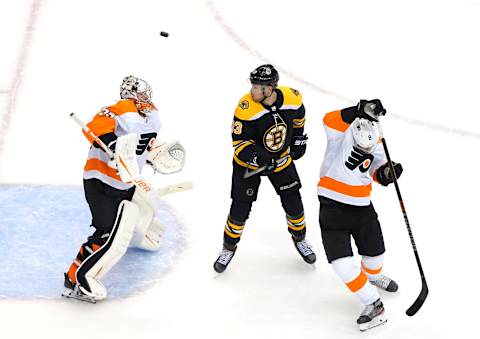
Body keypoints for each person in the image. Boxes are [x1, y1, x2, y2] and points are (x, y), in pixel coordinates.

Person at [63, 75, 184, 303]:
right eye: (140, 93)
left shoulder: (150, 118)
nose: (145, 97)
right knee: (106, 232)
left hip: (124, 182)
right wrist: (110, 142)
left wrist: (154, 156)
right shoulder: (119, 109)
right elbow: (94, 128)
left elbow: (139, 149)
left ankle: (138, 236)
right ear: (131, 94)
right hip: (101, 181)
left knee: (142, 206)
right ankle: (75, 279)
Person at [213, 64, 316, 273]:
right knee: (241, 207)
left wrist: (298, 140)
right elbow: (239, 143)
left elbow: (299, 117)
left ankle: (300, 239)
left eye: (257, 87)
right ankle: (228, 247)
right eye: (253, 86)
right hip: (249, 165)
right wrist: (259, 158)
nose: (252, 90)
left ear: (270, 88)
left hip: (282, 162)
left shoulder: (292, 98)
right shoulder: (245, 107)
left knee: (294, 203)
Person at [317, 99, 402, 331]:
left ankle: (371, 277)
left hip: (363, 206)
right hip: (332, 206)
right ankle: (373, 303)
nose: (366, 149)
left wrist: (386, 173)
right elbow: (328, 119)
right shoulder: (340, 132)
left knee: (376, 257)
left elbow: (376, 168)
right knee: (342, 265)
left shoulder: (375, 136)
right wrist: (356, 109)